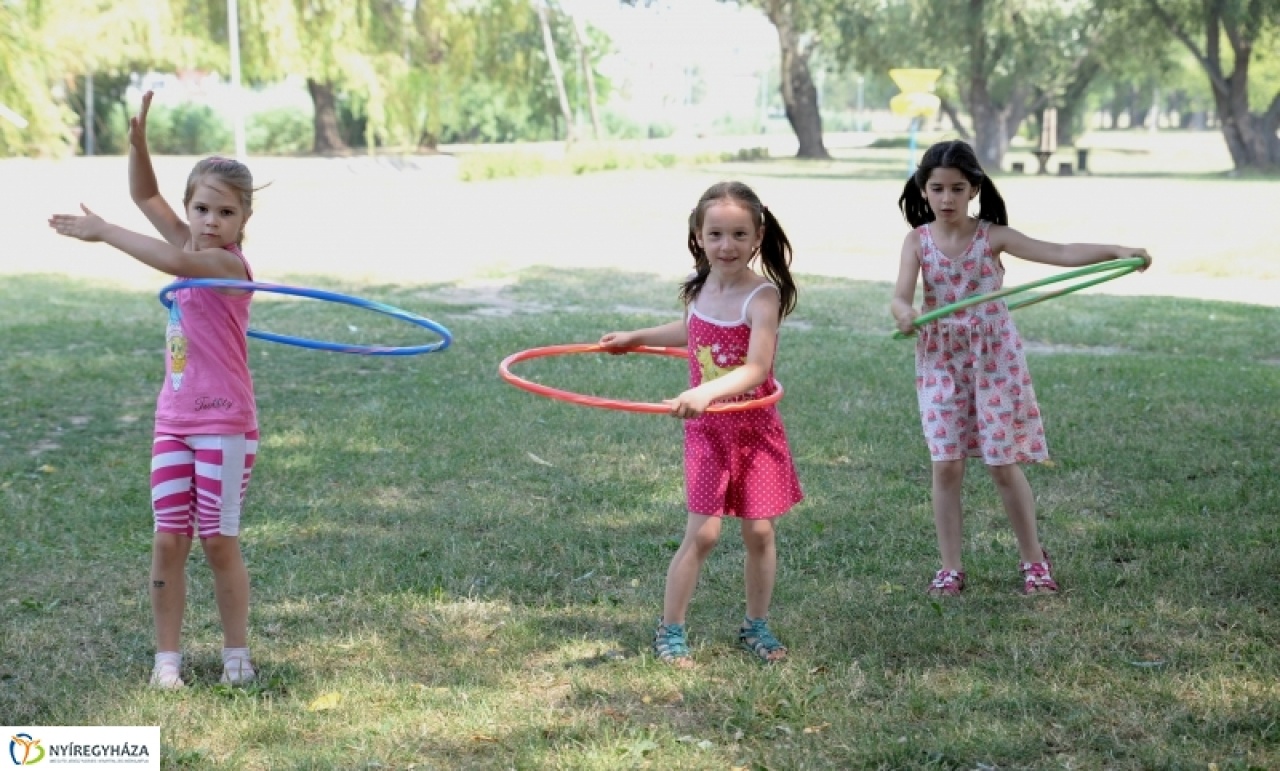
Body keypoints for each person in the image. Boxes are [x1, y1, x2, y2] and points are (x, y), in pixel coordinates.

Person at [48, 91, 262, 687]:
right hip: (174, 421)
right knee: (168, 541)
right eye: (200, 208)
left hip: (224, 424)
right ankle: (167, 660)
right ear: (190, 209)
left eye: (224, 213)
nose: (210, 222)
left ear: (243, 220)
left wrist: (104, 231)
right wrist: (138, 145)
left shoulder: (228, 266)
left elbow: (174, 264)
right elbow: (146, 195)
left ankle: (236, 654)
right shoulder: (191, 242)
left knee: (218, 541)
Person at [891, 139, 1150, 597]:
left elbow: (1060, 252)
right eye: (937, 189)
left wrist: (1116, 251)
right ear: (924, 189)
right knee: (945, 465)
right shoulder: (917, 241)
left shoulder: (993, 237)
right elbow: (900, 296)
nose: (947, 199)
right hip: (942, 360)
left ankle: (1034, 561)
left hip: (993, 359)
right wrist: (904, 313)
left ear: (974, 189)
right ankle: (950, 568)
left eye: (957, 189)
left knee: (1001, 463)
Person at [600, 181, 803, 667]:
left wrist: (705, 392)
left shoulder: (763, 297)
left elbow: (757, 368)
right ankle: (670, 629)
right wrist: (636, 337)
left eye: (738, 234)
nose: (726, 246)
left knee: (760, 533)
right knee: (704, 534)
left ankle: (755, 625)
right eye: (715, 234)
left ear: (757, 237)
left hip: (754, 433)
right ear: (698, 236)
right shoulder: (701, 286)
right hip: (708, 432)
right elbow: (693, 331)